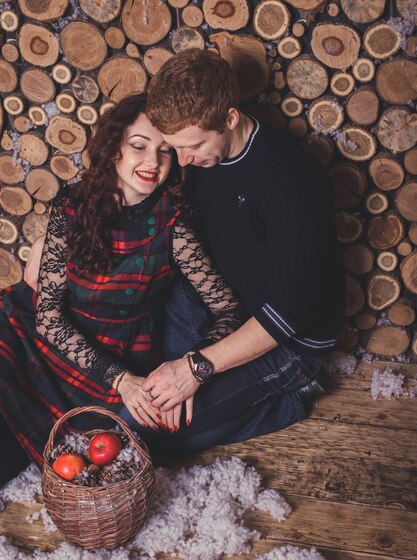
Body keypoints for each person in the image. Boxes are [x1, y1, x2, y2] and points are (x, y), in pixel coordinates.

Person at [0, 93, 243, 486]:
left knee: (25, 453)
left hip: (108, 363)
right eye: (139, 146)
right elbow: (48, 317)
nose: (152, 162)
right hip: (38, 334)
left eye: (165, 151)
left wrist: (190, 368)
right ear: (114, 147)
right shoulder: (72, 204)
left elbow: (229, 310)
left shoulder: (174, 228)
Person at [127, 49, 345, 439]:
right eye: (172, 146)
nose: (181, 160)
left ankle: (290, 401)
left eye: (191, 146)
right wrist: (53, 235)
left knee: (151, 430)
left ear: (230, 117)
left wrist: (194, 368)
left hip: (289, 339)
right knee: (134, 385)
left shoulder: (292, 180)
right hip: (221, 304)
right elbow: (126, 181)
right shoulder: (195, 153)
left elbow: (291, 313)